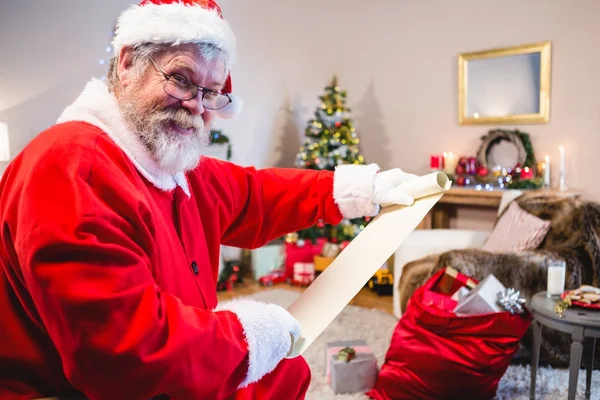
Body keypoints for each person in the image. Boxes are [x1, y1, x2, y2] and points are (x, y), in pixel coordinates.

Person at [0, 0, 417, 399]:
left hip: (162, 373)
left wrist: (359, 190)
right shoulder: (75, 167)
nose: (196, 107)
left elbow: (258, 195)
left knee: (285, 372)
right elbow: (122, 352)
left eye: (212, 92)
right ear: (127, 64)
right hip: (69, 389)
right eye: (182, 79)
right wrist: (245, 335)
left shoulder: (164, 162)